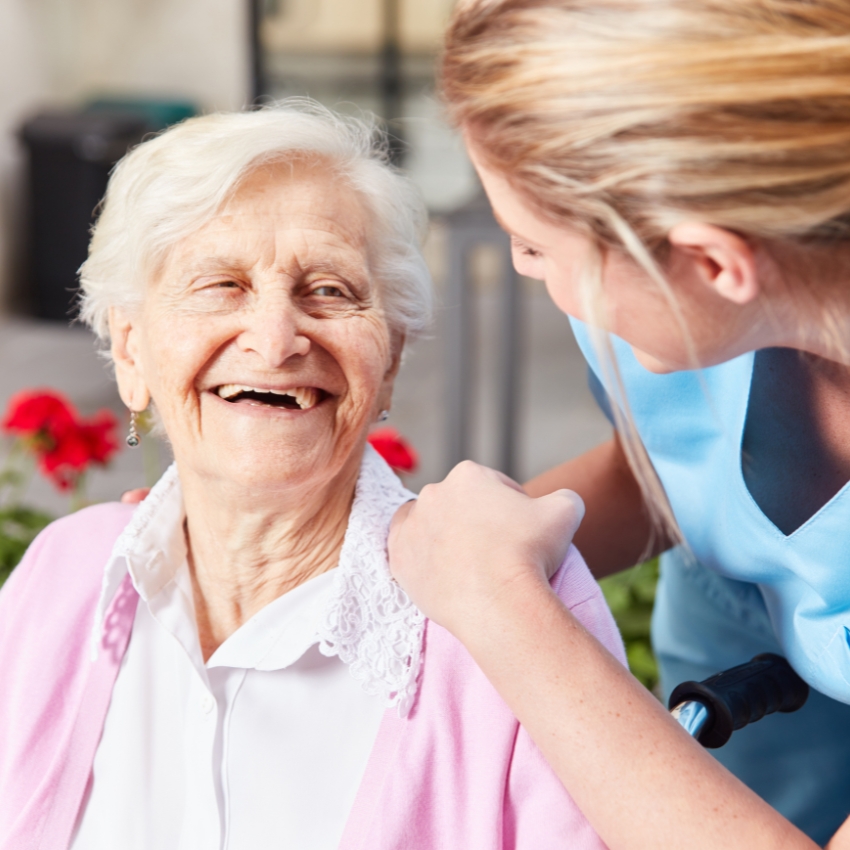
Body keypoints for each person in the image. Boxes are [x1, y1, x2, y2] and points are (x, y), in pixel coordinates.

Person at [0, 101, 625, 850]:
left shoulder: (513, 608)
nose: (275, 339)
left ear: (388, 360)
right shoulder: (64, 575)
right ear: (131, 352)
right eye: (220, 285)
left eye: (329, 289)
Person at [389, 1, 850, 848]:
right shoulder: (694, 308)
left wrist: (502, 606)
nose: (529, 270)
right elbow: (678, 467)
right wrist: (369, 567)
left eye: (533, 247)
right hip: (740, 617)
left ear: (710, 261)